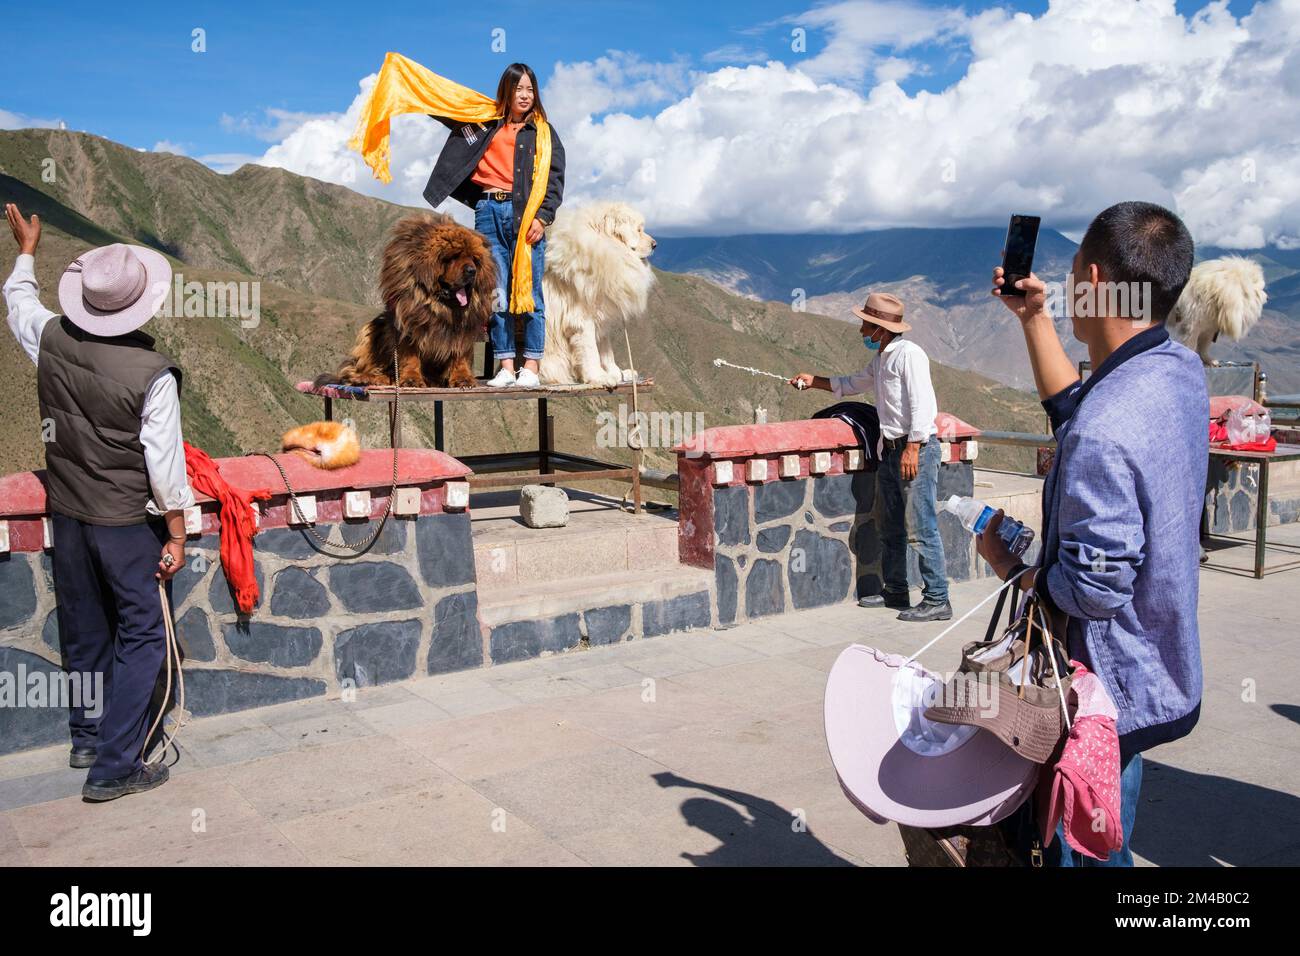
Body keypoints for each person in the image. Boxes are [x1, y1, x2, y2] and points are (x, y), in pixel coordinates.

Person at [985, 200, 1206, 866]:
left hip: (1098, 690)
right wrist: (1033, 318)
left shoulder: (1105, 429)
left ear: (1097, 283)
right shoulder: (1175, 370)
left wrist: (1013, 566)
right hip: (1150, 673)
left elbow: (1094, 588)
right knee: (1115, 834)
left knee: (1082, 851)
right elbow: (1078, 412)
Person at [3, 203, 193, 802]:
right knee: (142, 635)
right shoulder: (151, 374)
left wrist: (27, 251)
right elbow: (164, 467)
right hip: (121, 522)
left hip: (68, 511)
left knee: (84, 628)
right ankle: (114, 765)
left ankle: (86, 734)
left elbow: (18, 305)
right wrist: (180, 533)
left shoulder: (53, 337)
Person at [790, 292, 950, 622]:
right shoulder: (881, 359)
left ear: (881, 327)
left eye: (867, 323)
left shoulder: (910, 355)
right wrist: (813, 381)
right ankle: (896, 589)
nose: (863, 329)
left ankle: (937, 599)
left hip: (913, 450)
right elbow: (851, 384)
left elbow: (922, 405)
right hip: (889, 452)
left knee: (920, 527)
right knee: (891, 526)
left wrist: (913, 448)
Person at [422, 62, 565, 388]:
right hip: (487, 210)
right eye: (519, 89)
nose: (525, 95)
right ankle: (505, 366)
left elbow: (555, 180)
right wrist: (410, 88)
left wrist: (543, 218)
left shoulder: (543, 133)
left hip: (525, 215)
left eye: (530, 89)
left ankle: (530, 366)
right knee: (495, 291)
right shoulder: (486, 122)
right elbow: (446, 108)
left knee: (530, 293)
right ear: (507, 91)